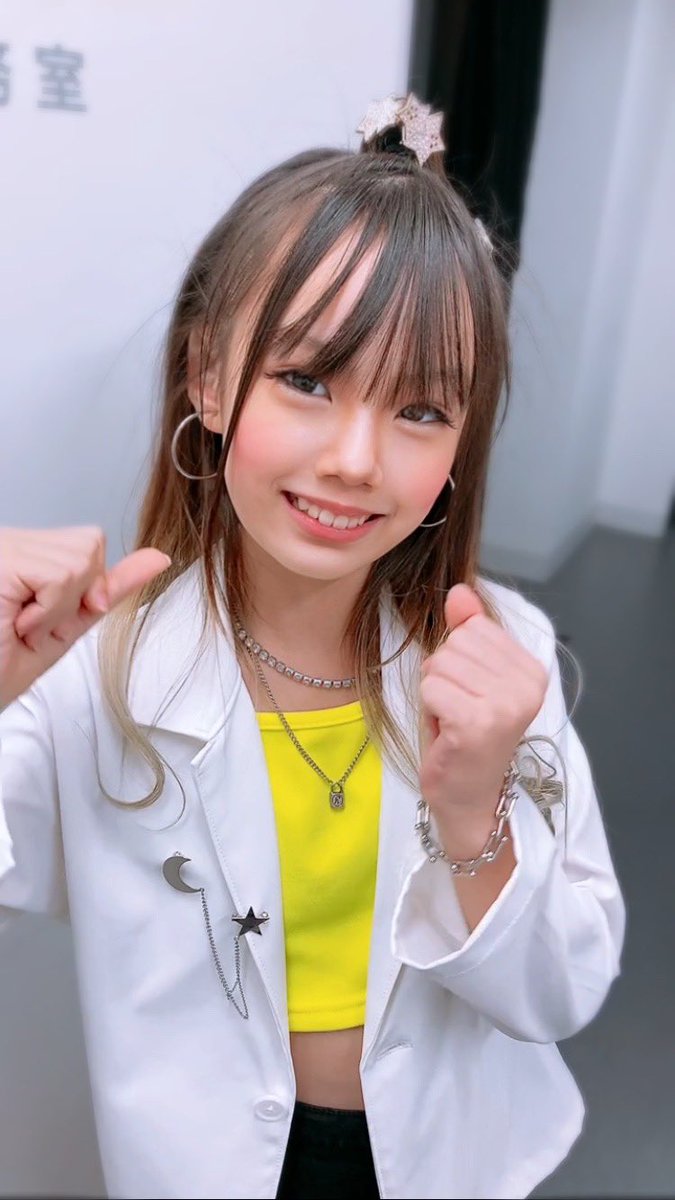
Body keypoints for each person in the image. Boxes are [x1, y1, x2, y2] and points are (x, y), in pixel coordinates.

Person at [0, 94, 625, 1200]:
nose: (355, 459)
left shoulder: (500, 657)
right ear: (207, 377)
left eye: (421, 411)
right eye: (306, 381)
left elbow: (559, 992)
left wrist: (476, 815)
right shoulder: (92, 675)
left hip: (444, 1160)